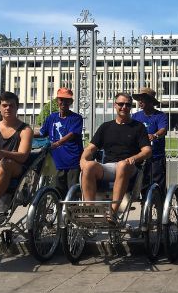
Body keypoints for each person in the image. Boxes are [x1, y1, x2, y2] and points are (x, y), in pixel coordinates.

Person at [79, 92, 151, 220]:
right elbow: (90, 148)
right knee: (89, 166)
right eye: (121, 104)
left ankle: (112, 213)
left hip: (129, 167)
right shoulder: (106, 127)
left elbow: (147, 151)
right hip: (109, 167)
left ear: (131, 107)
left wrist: (133, 158)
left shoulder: (138, 127)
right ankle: (89, 211)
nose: (124, 107)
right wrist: (83, 159)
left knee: (123, 164)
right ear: (115, 105)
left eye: (127, 105)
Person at [36, 87, 84, 196]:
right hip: (57, 162)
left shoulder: (76, 118)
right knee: (57, 191)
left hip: (72, 161)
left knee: (72, 192)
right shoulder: (51, 117)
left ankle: (70, 212)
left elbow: (72, 134)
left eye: (67, 100)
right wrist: (25, 132)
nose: (64, 102)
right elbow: (42, 132)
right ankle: (59, 212)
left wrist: (57, 143)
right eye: (61, 99)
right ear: (57, 101)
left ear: (71, 102)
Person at [132, 87, 168, 194]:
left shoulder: (160, 116)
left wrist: (155, 135)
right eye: (139, 99)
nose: (140, 102)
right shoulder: (135, 116)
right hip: (140, 157)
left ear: (151, 101)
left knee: (158, 185)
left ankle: (160, 206)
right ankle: (145, 207)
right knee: (142, 184)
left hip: (156, 157)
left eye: (143, 99)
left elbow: (163, 130)